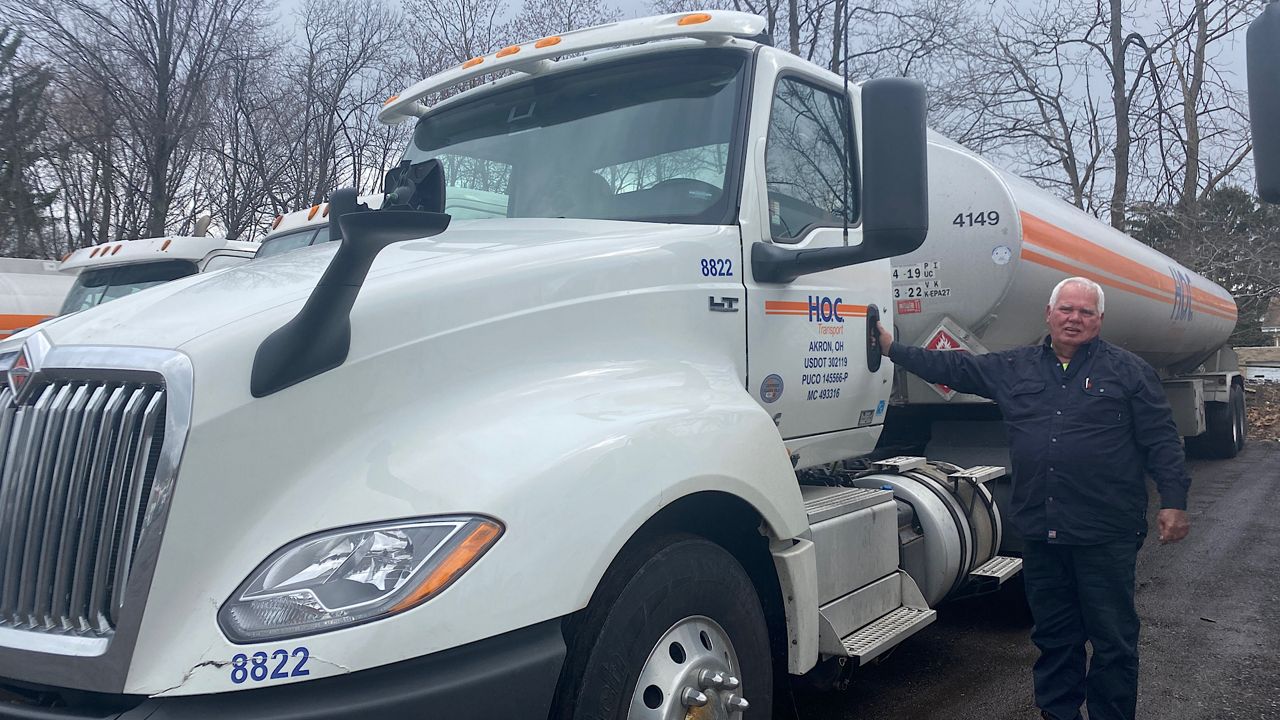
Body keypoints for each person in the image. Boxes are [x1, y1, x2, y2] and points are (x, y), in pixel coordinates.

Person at [876, 276, 1190, 720]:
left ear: (1099, 320)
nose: (1074, 318)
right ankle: (1058, 714)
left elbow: (1161, 440)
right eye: (1066, 309)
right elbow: (957, 369)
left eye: (1085, 312)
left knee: (1113, 639)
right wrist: (893, 349)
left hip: (1105, 532)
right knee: (1055, 636)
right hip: (1042, 532)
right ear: (1049, 313)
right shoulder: (1015, 367)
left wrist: (1174, 501)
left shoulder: (1129, 372)